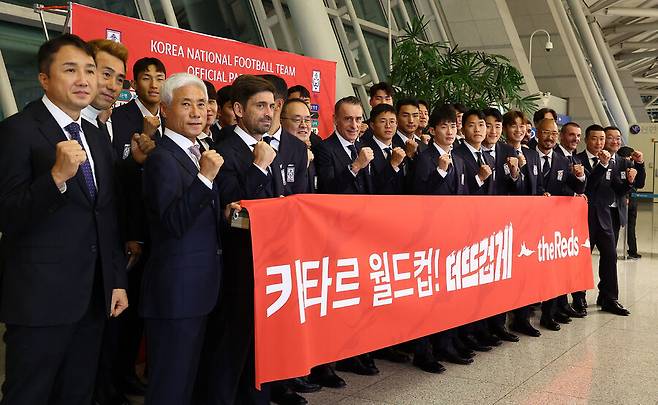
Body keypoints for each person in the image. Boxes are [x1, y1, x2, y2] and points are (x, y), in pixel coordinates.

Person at [0, 33, 128, 405]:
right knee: (30, 393)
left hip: (92, 296)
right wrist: (55, 178)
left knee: (77, 392)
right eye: (70, 70)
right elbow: (8, 213)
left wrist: (115, 280)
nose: (84, 80)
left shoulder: (94, 135)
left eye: (90, 70)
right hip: (40, 300)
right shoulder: (17, 131)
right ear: (44, 78)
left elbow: (106, 215)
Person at [140, 73, 224, 405]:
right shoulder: (162, 158)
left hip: (200, 287)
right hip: (175, 291)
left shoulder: (199, 149)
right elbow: (173, 222)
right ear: (164, 108)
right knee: (169, 385)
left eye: (201, 104)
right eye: (186, 104)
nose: (195, 112)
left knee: (188, 381)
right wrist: (204, 179)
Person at [207, 75, 286, 405]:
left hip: (270, 263)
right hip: (239, 267)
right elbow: (230, 215)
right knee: (233, 346)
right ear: (238, 109)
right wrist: (257, 169)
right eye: (260, 106)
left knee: (263, 345)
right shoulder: (223, 151)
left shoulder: (269, 149)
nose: (268, 113)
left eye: (271, 106)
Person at [77, 38, 135, 405]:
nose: (112, 85)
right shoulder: (42, 130)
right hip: (53, 285)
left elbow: (107, 204)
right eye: (104, 74)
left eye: (118, 79)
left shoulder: (99, 131)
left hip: (101, 273)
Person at [533, 118, 586, 330]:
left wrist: (580, 178)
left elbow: (572, 187)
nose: (551, 137)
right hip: (529, 222)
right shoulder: (527, 155)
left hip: (554, 224)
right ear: (538, 133)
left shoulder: (563, 160)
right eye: (547, 133)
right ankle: (522, 316)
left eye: (554, 134)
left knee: (552, 269)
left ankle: (550, 312)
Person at [576, 125, 635, 316]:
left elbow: (617, 188)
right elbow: (588, 187)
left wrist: (629, 183)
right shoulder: (578, 160)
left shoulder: (610, 162)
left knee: (610, 257)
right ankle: (579, 297)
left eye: (602, 139)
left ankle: (609, 298)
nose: (599, 143)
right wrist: (601, 166)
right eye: (595, 138)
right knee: (582, 259)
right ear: (586, 139)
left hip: (605, 218)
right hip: (582, 218)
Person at [603, 126, 646, 247]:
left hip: (616, 210)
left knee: (611, 251)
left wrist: (639, 164)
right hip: (599, 210)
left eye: (618, 138)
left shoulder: (624, 162)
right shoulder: (596, 160)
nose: (615, 141)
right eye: (610, 138)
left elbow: (639, 184)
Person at [362, 103, 406, 194]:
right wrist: (392, 165)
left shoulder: (401, 149)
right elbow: (370, 186)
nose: (388, 126)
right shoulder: (364, 150)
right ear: (372, 125)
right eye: (383, 121)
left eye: (392, 121)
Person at [281, 98, 317, 193]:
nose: (304, 125)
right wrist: (304, 163)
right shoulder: (276, 153)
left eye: (307, 120)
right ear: (281, 121)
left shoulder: (317, 149)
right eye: (297, 120)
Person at [617, 146, 642, 259]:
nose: (630, 161)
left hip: (632, 199)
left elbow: (640, 183)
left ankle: (632, 250)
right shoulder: (617, 166)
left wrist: (640, 163)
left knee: (631, 227)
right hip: (621, 199)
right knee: (616, 225)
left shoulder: (634, 166)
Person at [198, 80, 218, 151]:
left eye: (211, 102)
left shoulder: (221, 138)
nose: (208, 108)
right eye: (202, 103)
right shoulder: (188, 141)